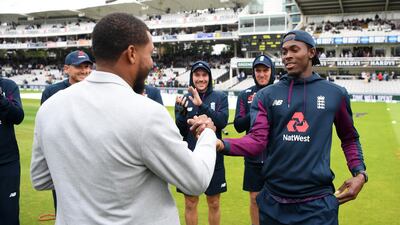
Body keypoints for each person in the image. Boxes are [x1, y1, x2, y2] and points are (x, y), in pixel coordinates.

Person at [31, 13, 217, 225]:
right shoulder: (147, 113)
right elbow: (196, 180)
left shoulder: (50, 108)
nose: (152, 63)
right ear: (131, 54)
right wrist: (208, 134)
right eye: (150, 54)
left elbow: (41, 178)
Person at [193, 30, 367, 225]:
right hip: (274, 203)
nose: (287, 55)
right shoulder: (265, 96)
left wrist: (360, 173)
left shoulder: (335, 94)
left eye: (294, 49)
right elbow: (257, 141)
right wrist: (220, 144)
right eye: (284, 51)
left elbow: (349, 138)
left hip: (318, 204)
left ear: (311, 52)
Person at [175, 60, 228, 225]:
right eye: (197, 75)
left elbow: (222, 122)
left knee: (214, 202)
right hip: (189, 158)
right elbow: (182, 131)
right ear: (192, 78)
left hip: (214, 158)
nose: (201, 79)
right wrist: (181, 114)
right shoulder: (184, 99)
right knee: (190, 203)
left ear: (209, 77)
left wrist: (201, 105)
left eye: (204, 75)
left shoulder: (220, 97)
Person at [40, 50, 92, 216]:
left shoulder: (97, 90)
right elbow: (45, 127)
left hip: (92, 158)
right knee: (64, 210)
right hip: (63, 159)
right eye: (79, 67)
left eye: (87, 66)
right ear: (66, 69)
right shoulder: (52, 91)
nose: (84, 71)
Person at [233, 55, 275, 225]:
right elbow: (238, 125)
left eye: (265, 70)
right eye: (258, 71)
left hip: (277, 156)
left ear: (272, 71)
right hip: (253, 156)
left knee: (277, 198)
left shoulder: (281, 91)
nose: (262, 74)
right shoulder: (245, 95)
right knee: (254, 198)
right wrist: (256, 109)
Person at [0, 77, 24, 225]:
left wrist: (1, 100)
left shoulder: (8, 86)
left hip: (7, 163)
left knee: (9, 216)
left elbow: (18, 117)